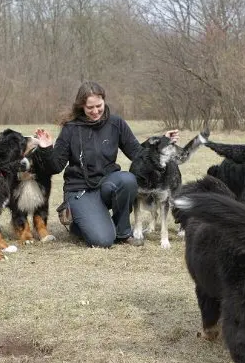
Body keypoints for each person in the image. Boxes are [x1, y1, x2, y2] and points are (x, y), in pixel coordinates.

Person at [34, 81, 179, 248]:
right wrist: (46, 149)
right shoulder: (71, 128)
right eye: (90, 108)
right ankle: (79, 223)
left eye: (99, 105)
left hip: (107, 185)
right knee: (102, 240)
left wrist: (161, 141)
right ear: (81, 106)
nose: (95, 111)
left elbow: (138, 154)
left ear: (104, 101)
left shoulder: (116, 123)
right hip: (80, 190)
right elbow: (56, 166)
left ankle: (123, 232)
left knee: (127, 180)